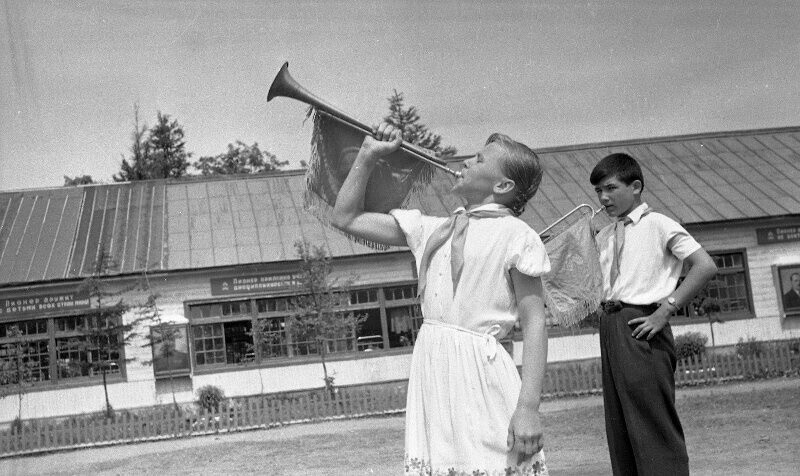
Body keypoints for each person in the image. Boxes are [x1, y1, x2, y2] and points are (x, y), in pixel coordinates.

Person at [333, 122, 550, 475]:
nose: (465, 162)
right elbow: (346, 216)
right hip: (433, 372)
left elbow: (536, 322)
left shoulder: (517, 236)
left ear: (502, 185)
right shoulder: (432, 229)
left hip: (482, 374)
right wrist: (368, 154)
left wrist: (528, 407)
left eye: (479, 159)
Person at [590, 152, 718, 476]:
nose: (603, 198)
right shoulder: (605, 235)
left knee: (652, 423)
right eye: (598, 192)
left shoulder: (659, 224)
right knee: (620, 429)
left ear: (635, 187)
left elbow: (704, 266)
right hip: (611, 326)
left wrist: (666, 311)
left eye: (610, 188)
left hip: (643, 325)